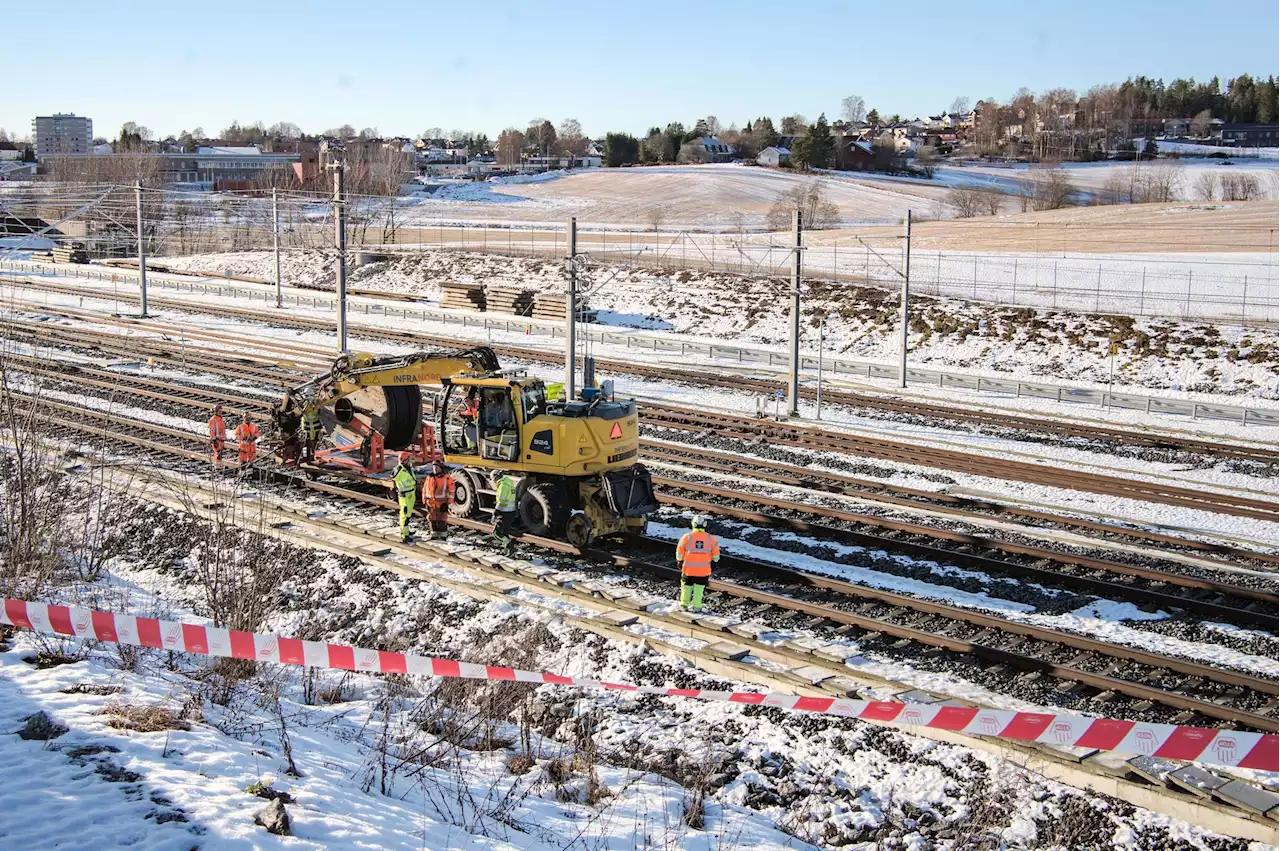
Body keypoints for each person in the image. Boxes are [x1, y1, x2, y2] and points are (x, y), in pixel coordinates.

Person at [675, 514, 720, 613]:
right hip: (703, 571)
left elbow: (679, 552)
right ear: (705, 524)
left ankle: (684, 604)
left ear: (693, 524)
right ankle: (696, 607)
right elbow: (716, 555)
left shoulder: (686, 537)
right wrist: (714, 563)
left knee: (686, 587)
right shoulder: (710, 538)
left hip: (688, 569)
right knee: (699, 589)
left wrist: (679, 561)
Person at [490, 469, 518, 553]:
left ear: (496, 478)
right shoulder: (508, 482)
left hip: (504, 512)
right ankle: (507, 550)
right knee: (504, 532)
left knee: (496, 533)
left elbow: (501, 501)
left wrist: (496, 512)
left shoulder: (503, 486)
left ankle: (509, 544)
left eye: (493, 479)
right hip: (511, 512)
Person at [423, 461, 452, 539]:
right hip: (431, 503)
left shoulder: (446, 478)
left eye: (436, 467)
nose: (435, 469)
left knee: (442, 519)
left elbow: (451, 490)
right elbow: (425, 489)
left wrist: (449, 502)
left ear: (440, 468)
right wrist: (424, 500)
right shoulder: (429, 478)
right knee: (432, 518)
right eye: (433, 467)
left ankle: (443, 536)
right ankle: (434, 534)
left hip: (442, 503)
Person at [393, 458, 418, 542]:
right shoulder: (399, 469)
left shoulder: (407, 468)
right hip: (405, 495)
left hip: (410, 493)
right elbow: (394, 476)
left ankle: (406, 532)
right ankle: (404, 535)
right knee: (404, 515)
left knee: (408, 514)